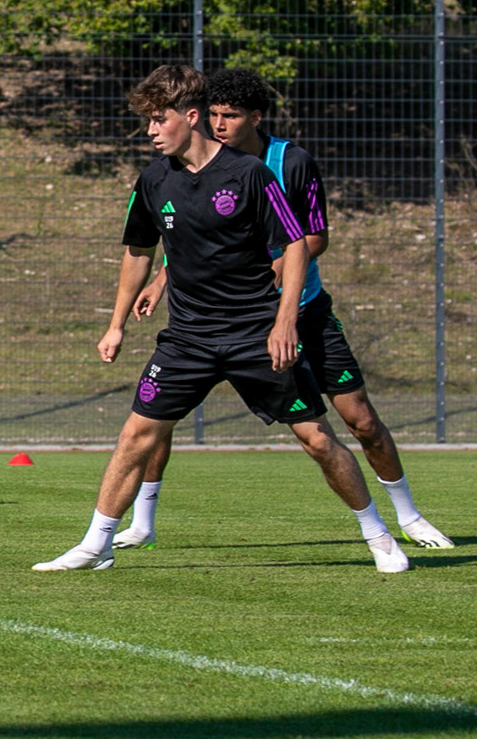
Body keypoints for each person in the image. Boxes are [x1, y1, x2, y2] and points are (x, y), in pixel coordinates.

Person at [35, 64, 412, 574]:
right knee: (136, 434)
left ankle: (380, 536)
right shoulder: (152, 180)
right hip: (187, 339)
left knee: (317, 438)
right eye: (146, 122)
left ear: (189, 117)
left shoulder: (249, 174)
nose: (149, 132)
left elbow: (296, 244)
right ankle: (95, 542)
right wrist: (116, 322)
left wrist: (283, 324)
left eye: (157, 120)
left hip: (254, 334)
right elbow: (138, 251)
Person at [116, 67, 452, 551]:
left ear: (256, 117)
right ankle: (141, 522)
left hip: (303, 313)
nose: (220, 124)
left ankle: (409, 515)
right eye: (212, 115)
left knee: (359, 421)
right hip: (239, 322)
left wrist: (267, 282)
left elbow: (311, 238)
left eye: (230, 115)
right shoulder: (190, 169)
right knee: (156, 415)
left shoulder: (286, 163)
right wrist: (164, 278)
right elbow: (196, 237)